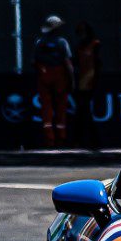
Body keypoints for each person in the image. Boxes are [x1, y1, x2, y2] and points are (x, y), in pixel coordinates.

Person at [33, 15, 74, 148]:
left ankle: (49, 139)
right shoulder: (62, 42)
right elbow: (68, 63)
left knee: (46, 108)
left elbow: (35, 61)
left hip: (44, 76)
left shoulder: (39, 42)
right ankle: (61, 138)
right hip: (59, 77)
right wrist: (72, 80)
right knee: (61, 107)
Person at [71, 21, 103, 148]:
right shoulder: (79, 47)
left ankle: (90, 140)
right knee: (82, 111)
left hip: (90, 81)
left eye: (83, 32)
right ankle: (85, 140)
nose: (81, 35)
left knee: (84, 111)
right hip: (80, 82)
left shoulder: (95, 44)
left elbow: (97, 63)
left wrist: (94, 81)